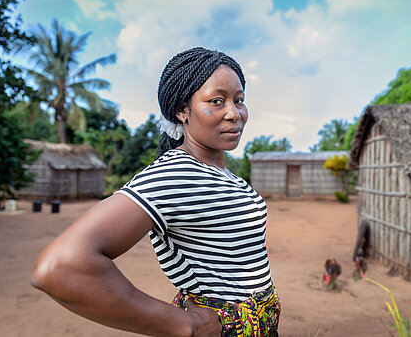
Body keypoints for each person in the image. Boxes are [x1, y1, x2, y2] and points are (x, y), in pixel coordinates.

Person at [31, 47, 281, 337]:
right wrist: (187, 324)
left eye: (239, 100)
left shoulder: (224, 175)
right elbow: (60, 266)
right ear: (181, 110)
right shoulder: (175, 175)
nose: (233, 114)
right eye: (216, 101)